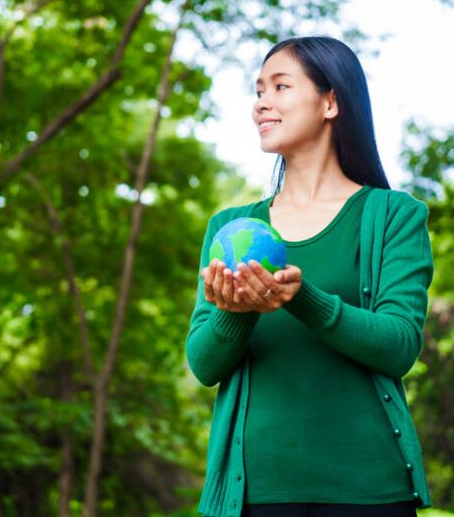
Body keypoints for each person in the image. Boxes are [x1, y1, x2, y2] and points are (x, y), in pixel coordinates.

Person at [185, 36, 434, 517]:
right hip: (255, 494)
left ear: (331, 102)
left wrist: (301, 298)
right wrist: (238, 313)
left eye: (280, 87)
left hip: (371, 490)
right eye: (258, 91)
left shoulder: (394, 216)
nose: (262, 104)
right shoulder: (231, 229)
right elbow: (204, 364)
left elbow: (399, 345)